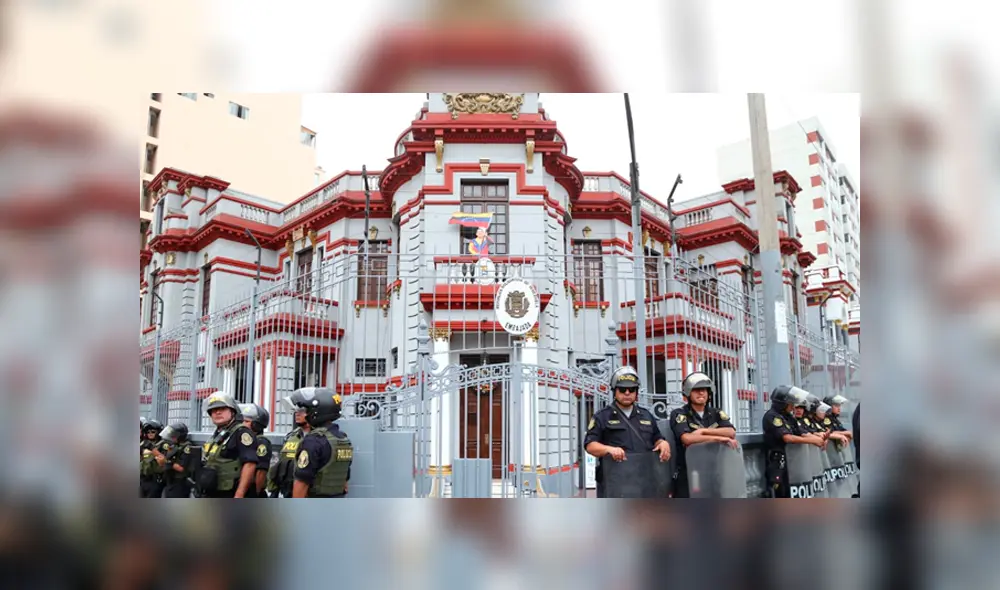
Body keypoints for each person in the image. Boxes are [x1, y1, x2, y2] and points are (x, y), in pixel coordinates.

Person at [584, 366, 671, 498]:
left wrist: (663, 443)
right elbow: (590, 445)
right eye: (622, 389)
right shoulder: (602, 416)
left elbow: (657, 438)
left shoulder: (646, 415)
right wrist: (609, 450)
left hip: (644, 482)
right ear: (615, 391)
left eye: (632, 389)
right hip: (615, 483)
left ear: (637, 392)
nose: (627, 393)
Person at [669, 372, 737, 498]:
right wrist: (718, 438)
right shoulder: (679, 414)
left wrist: (703, 431)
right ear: (688, 393)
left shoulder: (717, 413)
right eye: (696, 390)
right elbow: (687, 439)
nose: (701, 393)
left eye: (704, 390)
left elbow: (731, 432)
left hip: (713, 471)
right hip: (690, 472)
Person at [288, 388, 354, 498]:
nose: (304, 413)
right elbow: (345, 483)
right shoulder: (343, 439)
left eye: (306, 410)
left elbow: (301, 484)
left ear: (316, 412)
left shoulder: (313, 441)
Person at [762, 385, 825, 498]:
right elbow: (787, 437)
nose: (793, 406)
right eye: (790, 403)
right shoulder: (772, 416)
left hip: (791, 462)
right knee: (779, 492)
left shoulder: (788, 417)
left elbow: (801, 432)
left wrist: (817, 439)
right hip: (777, 461)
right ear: (782, 403)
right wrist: (812, 441)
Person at [197, 393, 258, 498]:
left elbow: (250, 464)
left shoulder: (241, 433)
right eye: (214, 410)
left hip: (231, 493)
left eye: (222, 409)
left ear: (232, 411)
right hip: (214, 492)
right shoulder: (218, 434)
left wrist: (239, 494)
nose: (218, 412)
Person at [267, 405, 311, 498]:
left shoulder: (319, 438)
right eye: (296, 410)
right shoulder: (291, 436)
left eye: (302, 411)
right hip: (287, 490)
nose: (297, 413)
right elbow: (281, 464)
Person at [239, 403, 273, 498]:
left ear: (256, 425)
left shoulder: (261, 442)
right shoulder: (247, 441)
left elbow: (260, 472)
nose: (242, 424)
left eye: (246, 421)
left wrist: (256, 494)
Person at [156, 422, 197, 498]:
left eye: (174, 435)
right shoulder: (174, 445)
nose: (171, 437)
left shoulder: (187, 447)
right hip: (170, 480)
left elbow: (181, 468)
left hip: (179, 482)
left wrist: (167, 462)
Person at [139, 419, 166, 498]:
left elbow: (164, 461)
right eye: (148, 432)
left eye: (153, 432)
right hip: (143, 479)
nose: (150, 434)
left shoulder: (163, 444)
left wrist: (152, 449)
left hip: (155, 479)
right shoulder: (144, 443)